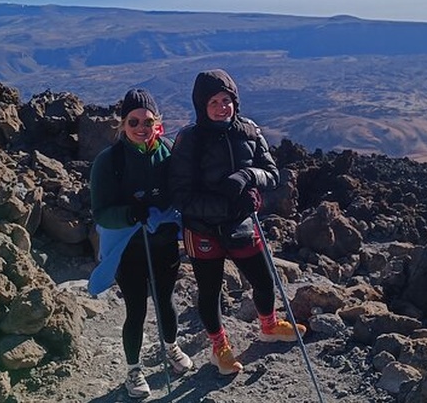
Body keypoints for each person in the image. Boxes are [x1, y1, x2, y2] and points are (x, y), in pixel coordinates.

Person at [169, 69, 306, 376]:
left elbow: (271, 173)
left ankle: (269, 327)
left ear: (235, 101)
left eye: (227, 99)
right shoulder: (189, 140)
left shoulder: (248, 130)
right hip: (202, 229)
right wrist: (225, 203)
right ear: (201, 105)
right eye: (214, 101)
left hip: (242, 223)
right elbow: (179, 195)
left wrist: (249, 177)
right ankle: (220, 349)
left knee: (262, 279)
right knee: (210, 290)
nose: (222, 107)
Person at [88, 88, 193, 399]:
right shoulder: (109, 162)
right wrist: (131, 214)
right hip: (129, 251)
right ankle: (133, 369)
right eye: (133, 121)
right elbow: (101, 213)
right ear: (123, 124)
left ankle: (171, 348)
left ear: (156, 122)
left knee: (166, 300)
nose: (141, 128)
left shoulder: (168, 151)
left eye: (147, 121)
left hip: (162, 246)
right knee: (136, 309)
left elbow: (180, 191)